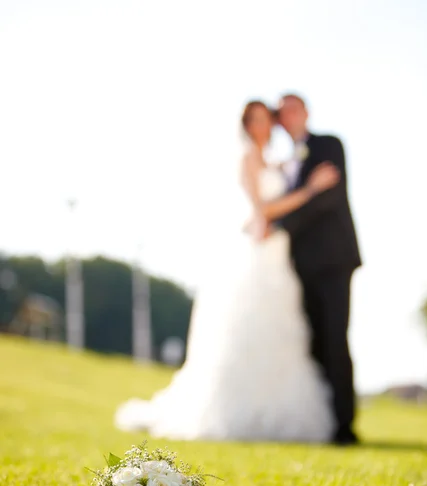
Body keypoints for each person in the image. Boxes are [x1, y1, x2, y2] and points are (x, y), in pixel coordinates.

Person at [114, 100, 339, 442]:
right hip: (256, 255)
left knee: (280, 332)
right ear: (247, 125)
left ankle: (275, 411)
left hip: (279, 257)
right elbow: (261, 209)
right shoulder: (248, 158)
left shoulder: (278, 163)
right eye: (256, 120)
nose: (263, 126)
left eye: (268, 120)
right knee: (248, 328)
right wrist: (311, 189)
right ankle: (237, 412)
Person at [276, 93, 362, 445]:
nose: (289, 116)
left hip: (334, 259)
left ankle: (344, 425)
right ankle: (321, 421)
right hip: (299, 266)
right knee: (311, 343)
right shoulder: (283, 164)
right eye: (282, 113)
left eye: (293, 108)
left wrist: (283, 219)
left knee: (335, 338)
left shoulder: (329, 145)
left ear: (306, 112)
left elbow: (329, 198)